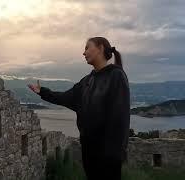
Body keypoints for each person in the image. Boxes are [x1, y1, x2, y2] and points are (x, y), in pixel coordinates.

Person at [27, 37, 130, 180]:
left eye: (87, 47)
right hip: (89, 151)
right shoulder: (87, 81)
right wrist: (42, 92)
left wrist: (115, 153)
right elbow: (65, 97)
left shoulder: (116, 76)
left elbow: (121, 118)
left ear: (100, 48)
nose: (84, 52)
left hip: (108, 154)